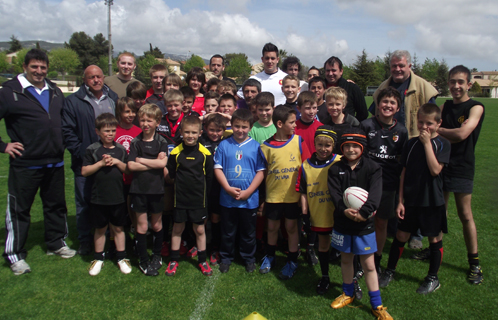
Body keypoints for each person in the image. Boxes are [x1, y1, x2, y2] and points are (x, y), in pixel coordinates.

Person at [0, 48, 76, 275]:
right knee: (19, 210)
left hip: (54, 161)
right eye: (34, 67)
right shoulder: (10, 91)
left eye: (43, 67)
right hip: (25, 163)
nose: (39, 71)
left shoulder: (54, 90)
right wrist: (3, 146)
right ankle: (15, 255)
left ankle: (56, 243)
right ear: (24, 67)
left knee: (56, 205)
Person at [379, 103, 450, 295]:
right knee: (401, 236)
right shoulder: (410, 144)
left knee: (434, 239)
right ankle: (390, 271)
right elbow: (404, 173)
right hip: (410, 200)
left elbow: (435, 170)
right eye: (421, 122)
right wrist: (400, 200)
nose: (424, 127)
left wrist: (427, 144)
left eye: (429, 123)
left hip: (432, 201)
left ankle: (432, 278)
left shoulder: (442, 144)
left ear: (438, 123)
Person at [327, 128, 392, 319]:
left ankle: (377, 305)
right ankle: (348, 293)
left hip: (365, 224)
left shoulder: (373, 168)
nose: (351, 150)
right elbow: (335, 195)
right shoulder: (335, 169)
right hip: (343, 222)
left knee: (369, 264)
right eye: (347, 146)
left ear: (362, 147)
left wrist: (364, 213)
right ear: (342, 147)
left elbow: (375, 194)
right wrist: (343, 210)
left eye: (356, 146)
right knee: (346, 259)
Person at [62, 65, 119, 256]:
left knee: (110, 201)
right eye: (91, 77)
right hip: (85, 161)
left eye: (98, 76)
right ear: (85, 80)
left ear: (103, 78)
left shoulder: (112, 98)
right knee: (85, 202)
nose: (96, 80)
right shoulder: (74, 101)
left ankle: (111, 240)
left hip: (110, 159)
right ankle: (85, 240)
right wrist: (82, 152)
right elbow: (67, 131)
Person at [437, 65, 485, 284]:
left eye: (460, 82)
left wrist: (439, 131)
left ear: (469, 84)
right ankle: (435, 250)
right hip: (441, 164)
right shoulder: (445, 106)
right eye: (452, 82)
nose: (456, 86)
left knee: (465, 215)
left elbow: (462, 134)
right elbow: (431, 125)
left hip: (463, 166)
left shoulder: (476, 107)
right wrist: (446, 132)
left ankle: (474, 263)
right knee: (440, 212)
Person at [259, 106, 311, 279]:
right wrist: (262, 198)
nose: (295, 124)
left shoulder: (298, 141)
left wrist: (303, 195)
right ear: (280, 124)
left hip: (292, 197)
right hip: (273, 196)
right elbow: (263, 174)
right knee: (272, 227)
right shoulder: (265, 147)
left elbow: (307, 169)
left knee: (291, 227)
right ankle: (270, 256)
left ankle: (292, 260)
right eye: (291, 122)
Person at [360, 87, 408, 275]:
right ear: (377, 105)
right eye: (384, 102)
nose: (387, 105)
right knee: (363, 221)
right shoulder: (366, 125)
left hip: (388, 184)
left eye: (392, 103)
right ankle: (360, 258)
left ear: (397, 108)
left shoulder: (401, 131)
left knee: (381, 223)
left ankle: (377, 259)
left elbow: (403, 163)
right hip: (366, 183)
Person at [214, 109, 266, 273]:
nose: (240, 130)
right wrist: (228, 188)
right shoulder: (224, 144)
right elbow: (218, 168)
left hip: (249, 199)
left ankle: (248, 258)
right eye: (237, 126)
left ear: (250, 127)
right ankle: (226, 257)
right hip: (227, 198)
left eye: (244, 127)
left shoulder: (256, 146)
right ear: (232, 125)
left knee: (248, 232)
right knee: (228, 231)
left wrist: (249, 191)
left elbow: (261, 171)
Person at [81, 113, 131, 276]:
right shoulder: (92, 149)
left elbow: (127, 169)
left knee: (118, 227)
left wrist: (116, 162)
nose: (110, 134)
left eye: (112, 131)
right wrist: (101, 163)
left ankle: (122, 257)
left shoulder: (120, 149)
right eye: (106, 131)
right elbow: (85, 171)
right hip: (98, 197)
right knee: (100, 228)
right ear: (98, 132)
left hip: (117, 196)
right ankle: (98, 258)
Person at [165, 116, 214, 276]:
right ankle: (173, 260)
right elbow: (171, 176)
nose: (190, 135)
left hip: (198, 200)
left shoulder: (205, 153)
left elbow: (209, 178)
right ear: (181, 133)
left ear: (200, 133)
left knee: (199, 230)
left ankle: (202, 260)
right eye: (186, 132)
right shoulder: (175, 152)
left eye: (194, 132)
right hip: (180, 200)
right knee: (177, 228)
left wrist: (206, 199)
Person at [297, 125, 341, 294]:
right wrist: (305, 213)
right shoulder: (306, 165)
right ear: (315, 144)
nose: (323, 149)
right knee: (323, 246)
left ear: (333, 146)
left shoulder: (340, 161)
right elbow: (303, 192)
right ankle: (325, 276)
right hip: (319, 213)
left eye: (327, 145)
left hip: (339, 214)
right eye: (319, 145)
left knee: (346, 249)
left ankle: (351, 279)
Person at [127, 104, 169, 276]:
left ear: (157, 122)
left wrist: (141, 160)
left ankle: (157, 256)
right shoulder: (136, 142)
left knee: (157, 224)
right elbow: (131, 166)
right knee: (142, 226)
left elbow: (162, 164)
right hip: (139, 190)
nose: (145, 124)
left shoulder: (161, 141)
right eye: (142, 120)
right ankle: (144, 261)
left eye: (149, 120)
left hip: (157, 190)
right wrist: (153, 164)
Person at [372, 50, 438, 139]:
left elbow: (434, 119)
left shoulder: (423, 88)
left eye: (401, 66)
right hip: (386, 141)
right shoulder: (382, 88)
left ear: (409, 66)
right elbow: (374, 114)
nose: (397, 69)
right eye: (394, 66)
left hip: (414, 140)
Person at [200, 113, 228, 265]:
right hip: (202, 187)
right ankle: (198, 245)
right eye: (211, 130)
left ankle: (215, 247)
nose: (215, 133)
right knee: (202, 219)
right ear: (205, 129)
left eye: (219, 130)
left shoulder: (226, 143)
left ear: (223, 130)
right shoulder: (200, 141)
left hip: (219, 187)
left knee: (216, 218)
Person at [323, 56, 368, 122]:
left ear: (341, 71)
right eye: (328, 70)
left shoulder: (352, 88)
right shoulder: (319, 88)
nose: (330, 73)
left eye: (333, 70)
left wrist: (351, 125)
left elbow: (363, 113)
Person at [322, 87, 360, 154]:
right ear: (326, 104)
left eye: (338, 104)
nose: (334, 107)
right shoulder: (324, 124)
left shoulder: (353, 123)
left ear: (344, 105)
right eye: (330, 104)